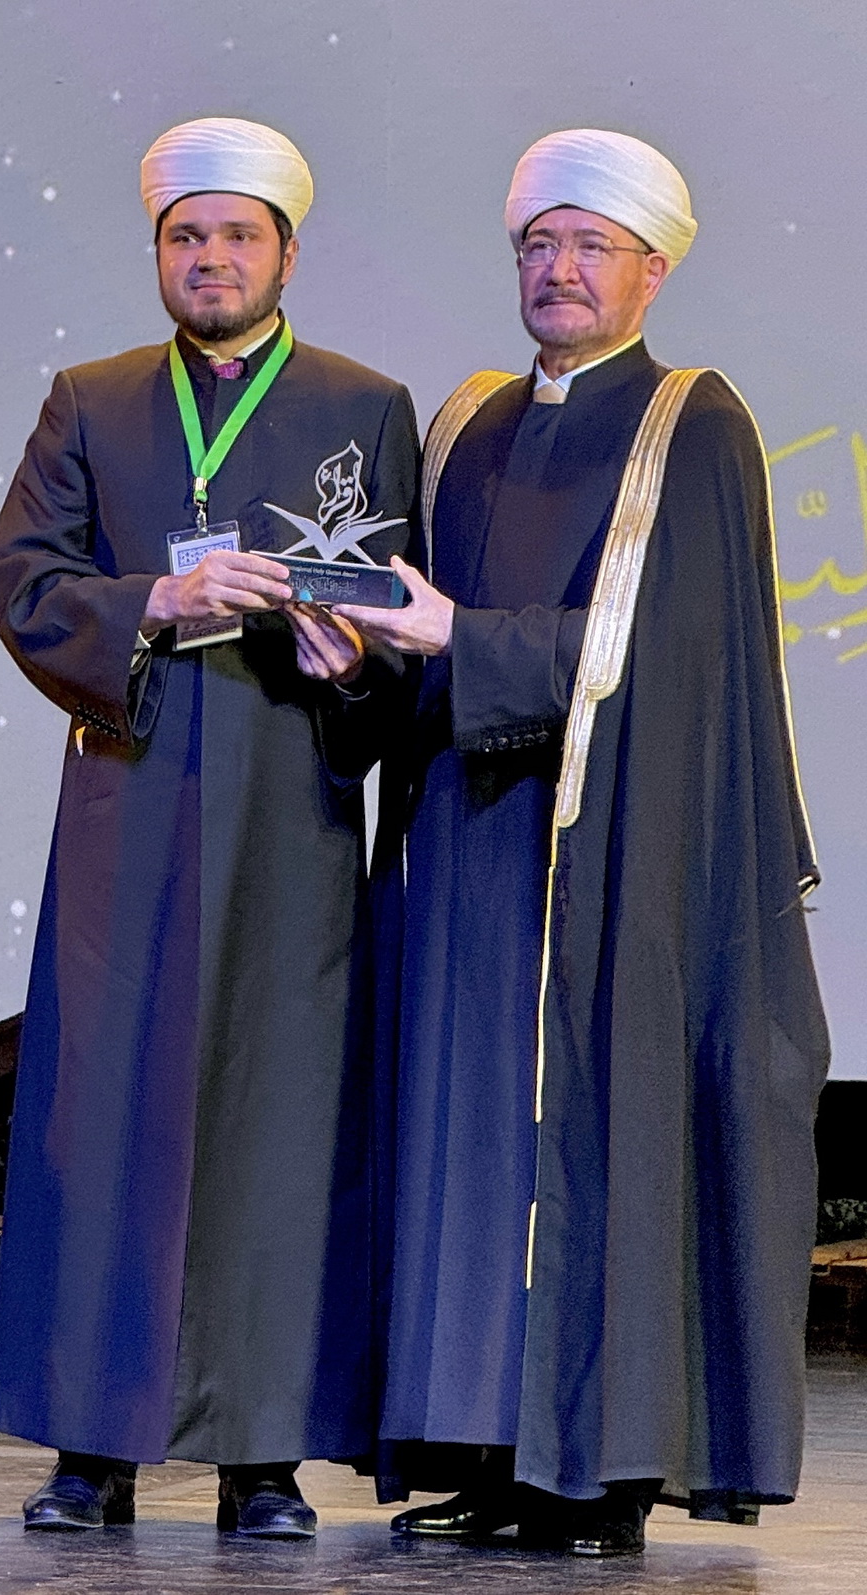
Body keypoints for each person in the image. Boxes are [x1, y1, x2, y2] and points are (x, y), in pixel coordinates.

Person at [340, 129, 829, 1558]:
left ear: (651, 269)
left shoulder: (693, 420)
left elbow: (668, 657)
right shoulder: (466, 424)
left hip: (610, 857)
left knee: (590, 1146)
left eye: (589, 246)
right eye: (537, 244)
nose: (557, 269)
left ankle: (592, 1474)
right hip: (463, 854)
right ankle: (488, 1450)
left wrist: (460, 635)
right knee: (468, 1153)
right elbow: (417, 643)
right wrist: (359, 653)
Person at [0, 117, 421, 1538]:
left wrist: (353, 669)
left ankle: (262, 1452)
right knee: (100, 1114)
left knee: (276, 1124)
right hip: (131, 795)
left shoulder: (364, 405)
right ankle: (89, 1445)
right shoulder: (91, 400)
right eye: (186, 236)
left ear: (286, 252)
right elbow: (20, 572)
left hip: (292, 807)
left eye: (236, 235)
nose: (210, 257)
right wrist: (151, 603)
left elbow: (404, 625)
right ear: (158, 251)